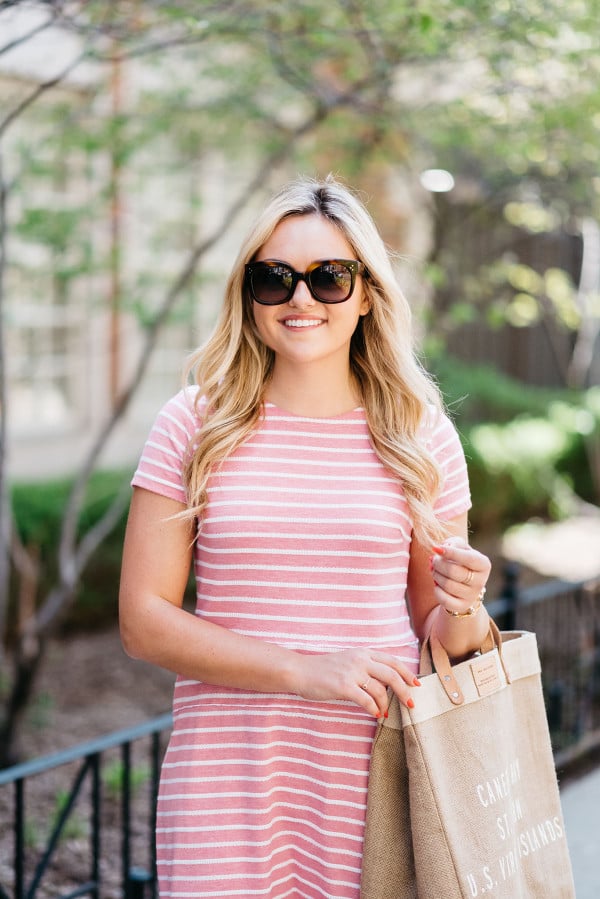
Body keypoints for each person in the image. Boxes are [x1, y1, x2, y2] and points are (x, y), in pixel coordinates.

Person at [119, 174, 492, 898]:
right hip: (226, 777)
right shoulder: (194, 422)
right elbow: (143, 621)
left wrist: (468, 606)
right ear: (248, 292)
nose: (300, 299)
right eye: (274, 278)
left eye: (329, 277)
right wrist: (305, 669)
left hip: (374, 770)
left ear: (367, 294)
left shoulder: (420, 435)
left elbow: (440, 635)